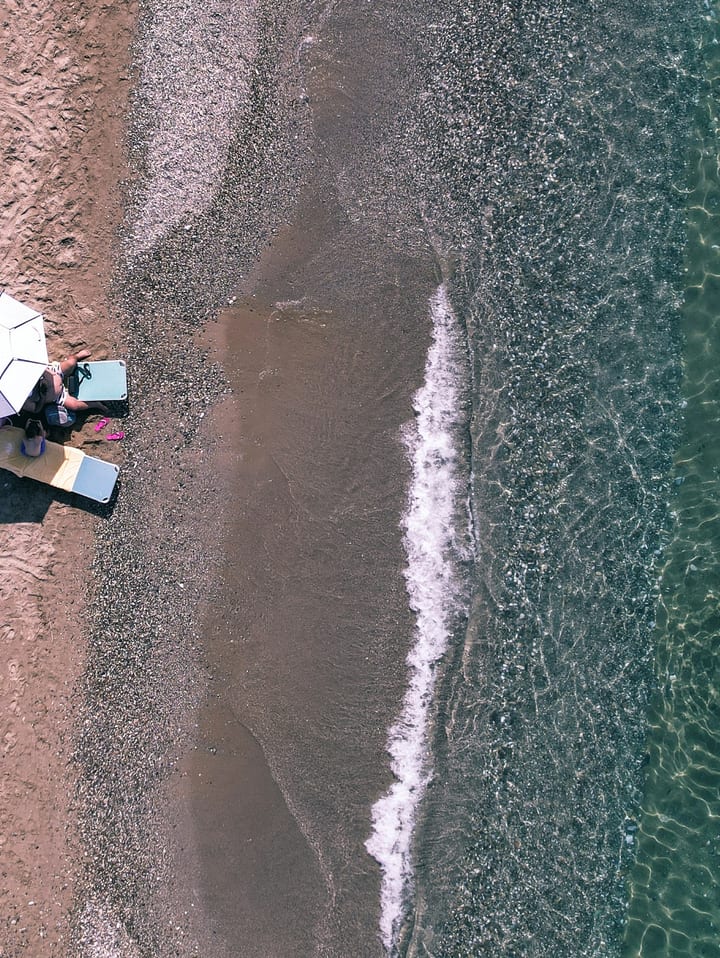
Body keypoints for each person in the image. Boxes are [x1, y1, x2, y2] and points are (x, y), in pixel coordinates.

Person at [24, 349, 108, 423]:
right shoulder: (21, 401)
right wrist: (42, 396)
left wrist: (44, 376)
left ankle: (76, 356)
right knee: (74, 405)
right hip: (58, 396)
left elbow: (37, 363)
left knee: (71, 362)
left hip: (56, 372)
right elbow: (36, 409)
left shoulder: (23, 369)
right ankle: (95, 404)